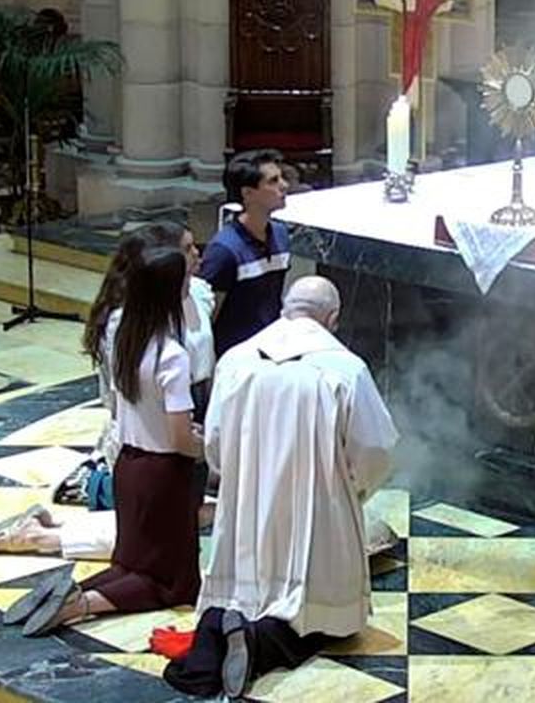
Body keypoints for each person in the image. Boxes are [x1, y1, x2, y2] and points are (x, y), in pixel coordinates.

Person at [165, 276, 400, 699]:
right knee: (328, 620)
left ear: (283, 309)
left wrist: (238, 476)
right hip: (318, 505)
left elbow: (215, 441)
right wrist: (351, 489)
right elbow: (375, 449)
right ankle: (258, 642)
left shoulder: (236, 359)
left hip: (246, 505)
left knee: (237, 592)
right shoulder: (344, 369)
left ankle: (214, 637)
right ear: (333, 319)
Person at [0, 222, 216, 560]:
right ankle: (55, 528)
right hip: (153, 428)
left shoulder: (198, 294)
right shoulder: (129, 324)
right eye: (187, 249)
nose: (198, 254)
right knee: (167, 533)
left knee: (199, 513)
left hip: (187, 410)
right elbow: (127, 393)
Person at [2, 245, 205, 637]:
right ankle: (81, 603)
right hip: (163, 472)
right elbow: (180, 436)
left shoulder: (121, 330)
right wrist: (209, 448)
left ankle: (70, 592)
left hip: (127, 464)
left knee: (129, 562)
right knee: (172, 581)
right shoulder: (172, 355)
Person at [200, 149, 292, 357]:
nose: (284, 186)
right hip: (234, 357)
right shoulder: (224, 251)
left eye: (282, 178)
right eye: (273, 181)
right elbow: (207, 316)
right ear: (248, 193)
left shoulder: (281, 235)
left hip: (271, 350)